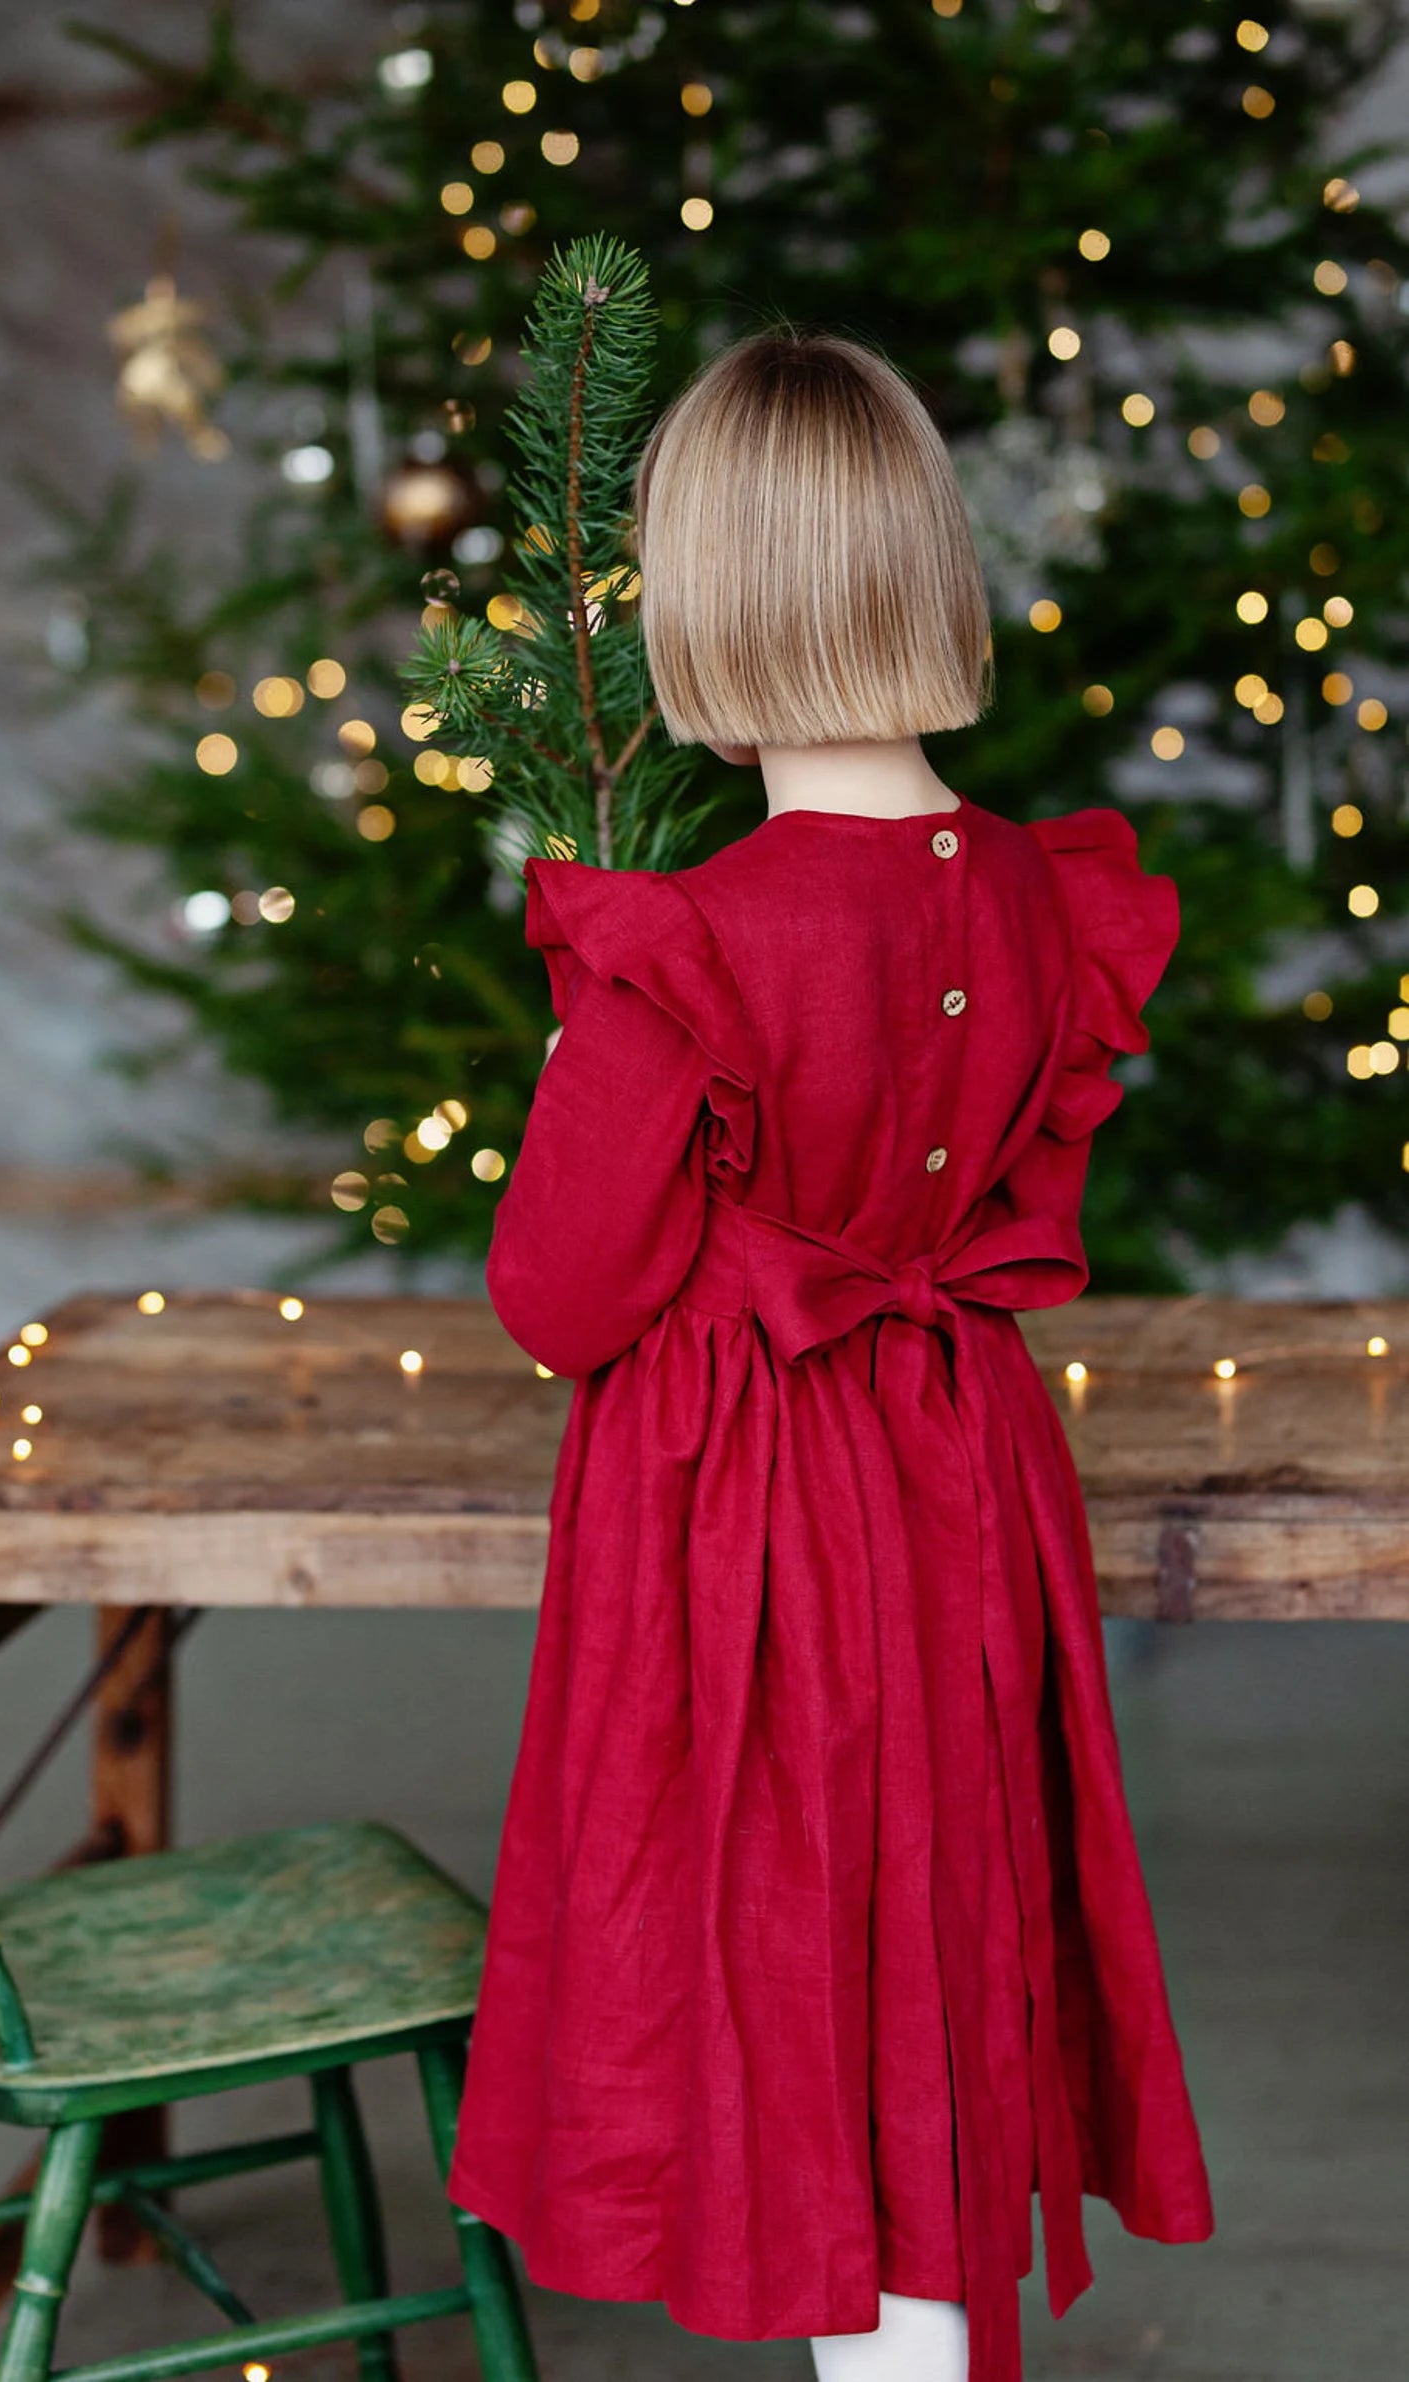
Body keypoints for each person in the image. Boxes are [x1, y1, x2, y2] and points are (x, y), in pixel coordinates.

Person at [444, 326, 1214, 2382]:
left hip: (754, 1529)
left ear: (702, 605)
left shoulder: (688, 941)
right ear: (920, 571)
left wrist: (591, 1081)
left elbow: (558, 1298)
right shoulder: (1047, 904)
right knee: (935, 1954)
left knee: (794, 1971)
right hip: (960, 1481)